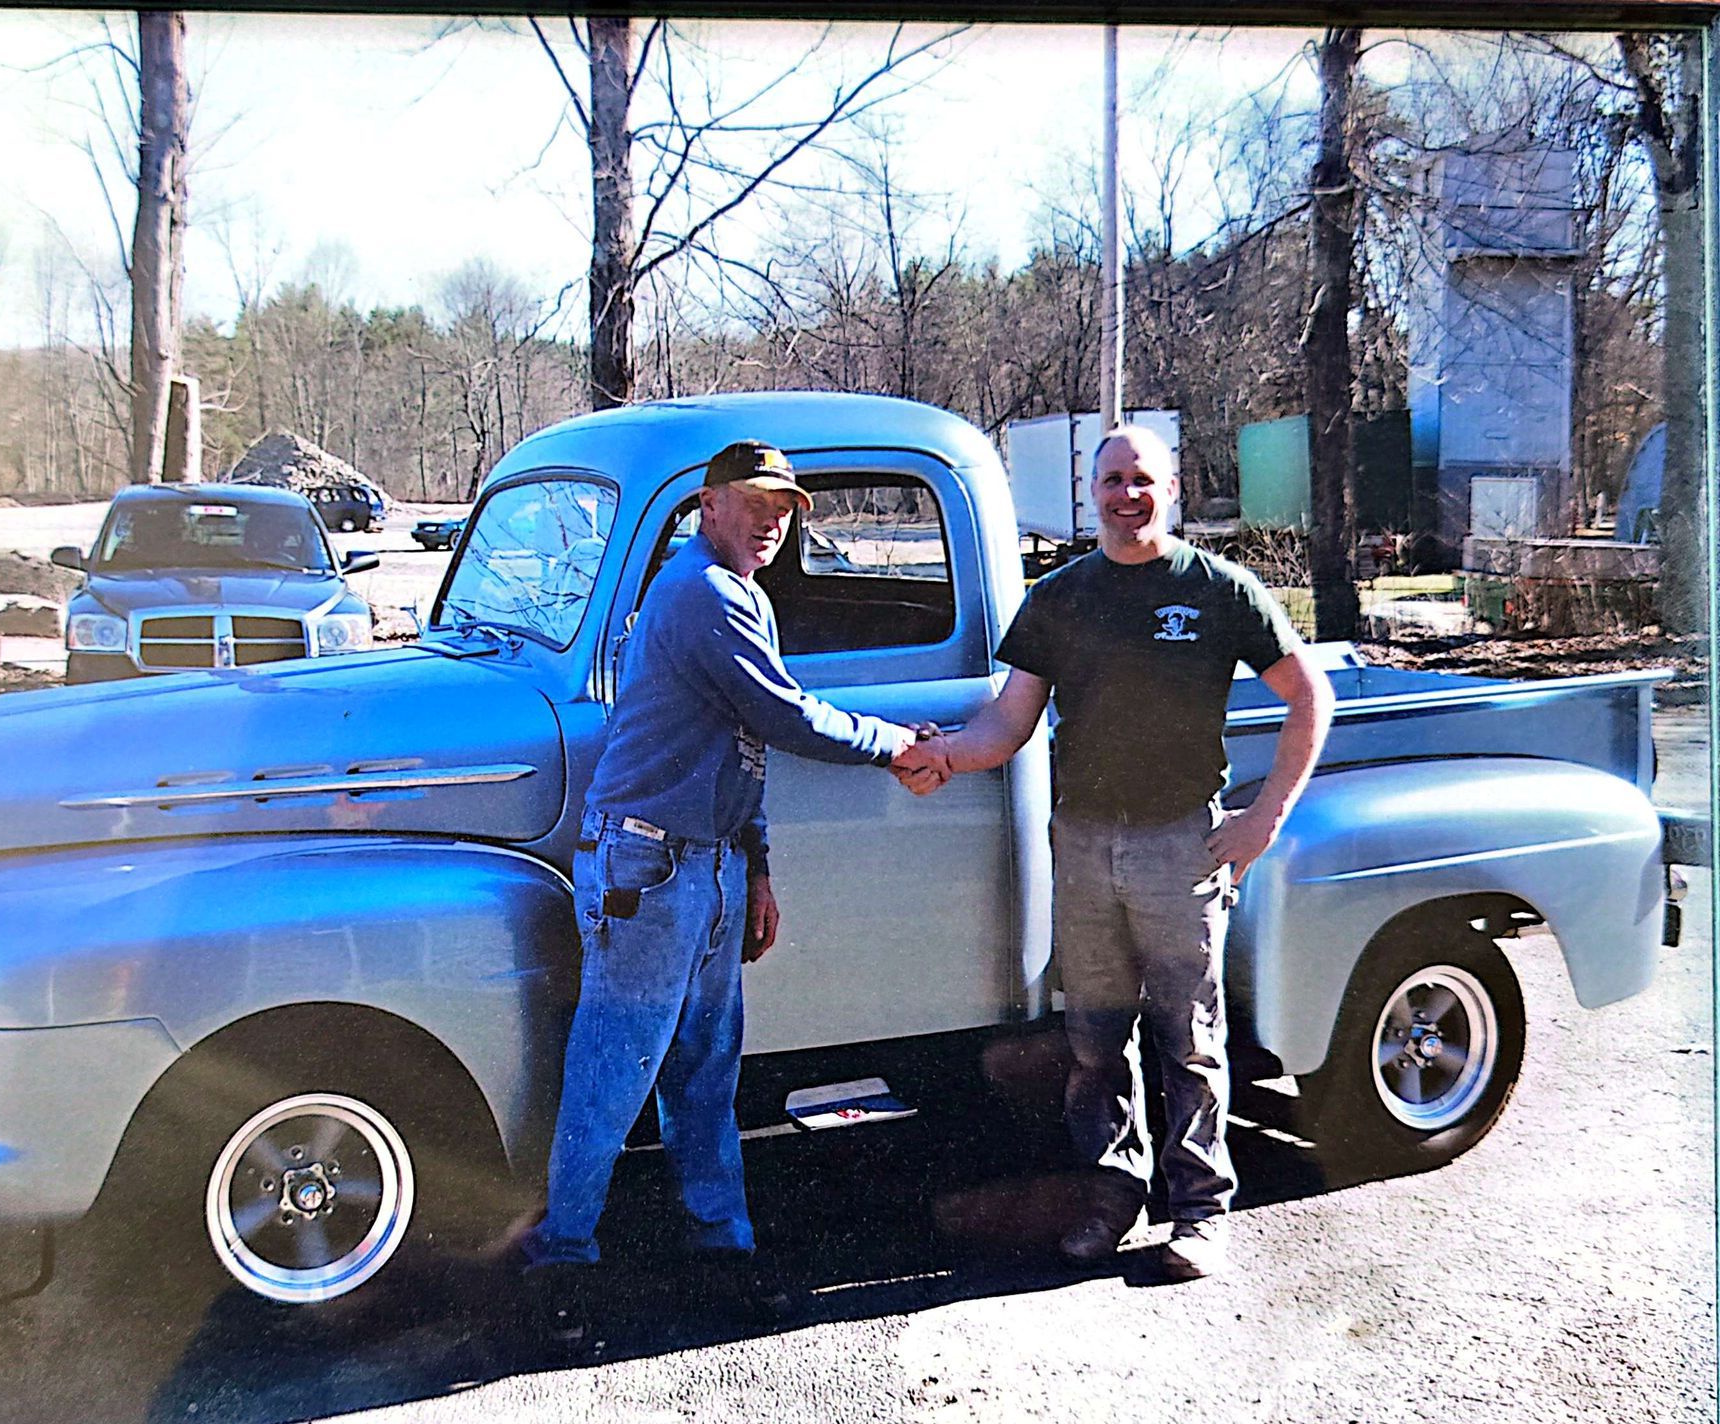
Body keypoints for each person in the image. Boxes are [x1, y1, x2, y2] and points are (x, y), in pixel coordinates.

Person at [523, 439, 937, 1344]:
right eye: (753, 502)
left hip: (700, 863)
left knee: (706, 1070)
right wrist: (896, 743)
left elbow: (738, 750)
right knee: (617, 1068)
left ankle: (722, 1252)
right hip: (649, 862)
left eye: (784, 509)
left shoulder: (738, 593)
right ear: (708, 504)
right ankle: (560, 1267)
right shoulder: (702, 591)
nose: (771, 521)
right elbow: (783, 716)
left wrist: (755, 864)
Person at [898, 424, 1334, 1281]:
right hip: (1085, 846)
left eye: (1142, 480)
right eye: (1111, 481)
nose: (1125, 496)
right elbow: (1009, 722)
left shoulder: (1219, 591)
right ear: (1088, 492)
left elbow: (1308, 697)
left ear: (1169, 489)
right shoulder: (1061, 598)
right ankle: (1111, 1196)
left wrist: (1264, 817)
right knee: (1095, 1040)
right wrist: (942, 753)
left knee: (1190, 1039)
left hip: (1182, 844)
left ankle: (1202, 1210)